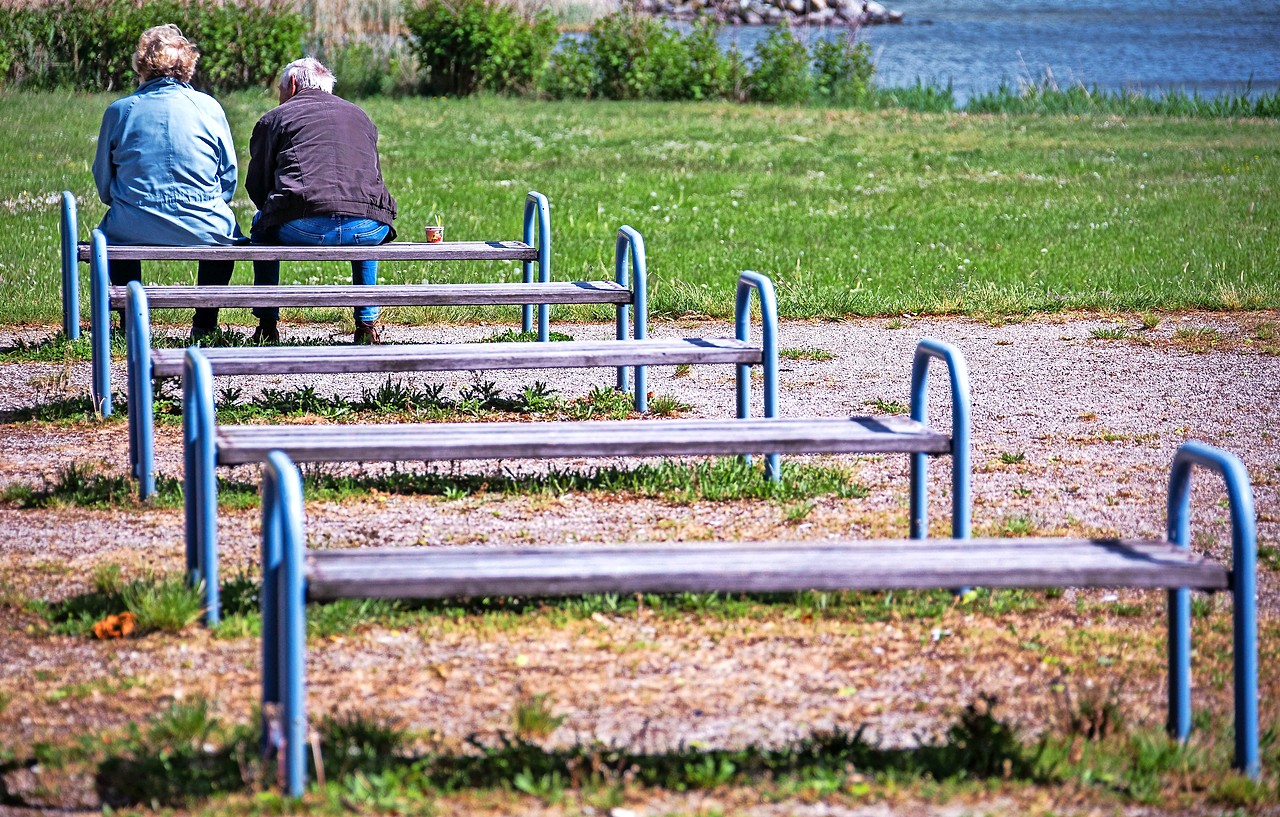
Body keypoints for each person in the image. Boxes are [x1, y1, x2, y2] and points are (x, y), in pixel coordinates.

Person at [93, 24, 245, 339]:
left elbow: (103, 181)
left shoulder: (120, 111)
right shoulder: (209, 107)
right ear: (188, 66)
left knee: (117, 237)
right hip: (204, 222)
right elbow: (229, 176)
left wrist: (127, 201)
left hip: (132, 222)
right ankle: (205, 323)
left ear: (142, 65)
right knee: (225, 233)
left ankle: (128, 322)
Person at [246, 57, 398, 344]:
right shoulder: (360, 115)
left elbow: (257, 187)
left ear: (292, 84)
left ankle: (267, 325)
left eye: (279, 88)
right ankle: (366, 325)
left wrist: (275, 209)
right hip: (368, 227)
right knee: (364, 216)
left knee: (260, 223)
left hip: (302, 225)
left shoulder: (275, 118)